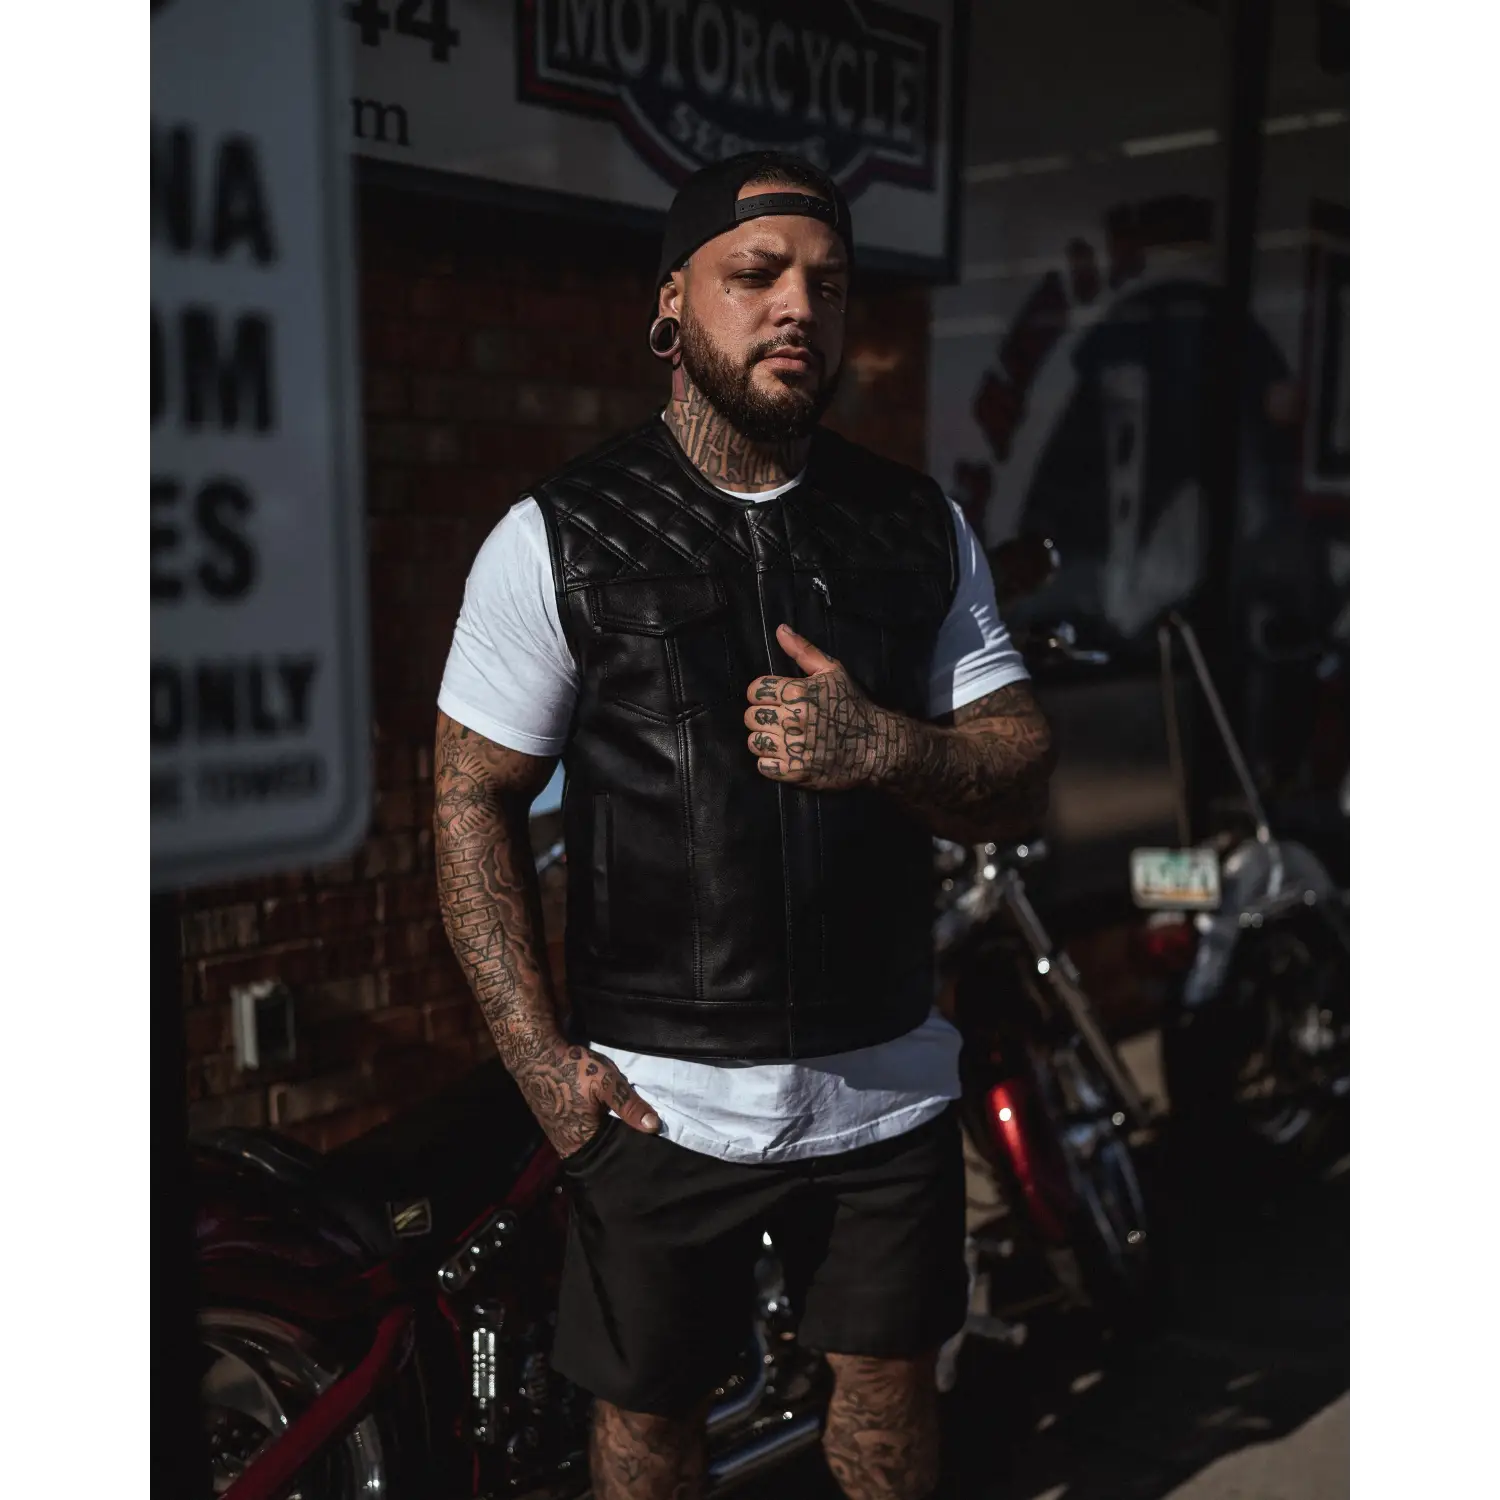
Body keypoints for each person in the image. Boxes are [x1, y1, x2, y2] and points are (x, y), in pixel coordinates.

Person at [433, 151, 1055, 1500]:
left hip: (885, 1080)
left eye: (826, 285)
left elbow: (1018, 768)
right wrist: (544, 1067)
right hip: (661, 1100)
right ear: (672, 304)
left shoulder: (915, 525)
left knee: (891, 1403)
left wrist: (884, 742)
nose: (797, 309)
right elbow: (470, 794)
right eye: (756, 275)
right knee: (650, 1426)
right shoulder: (562, 535)